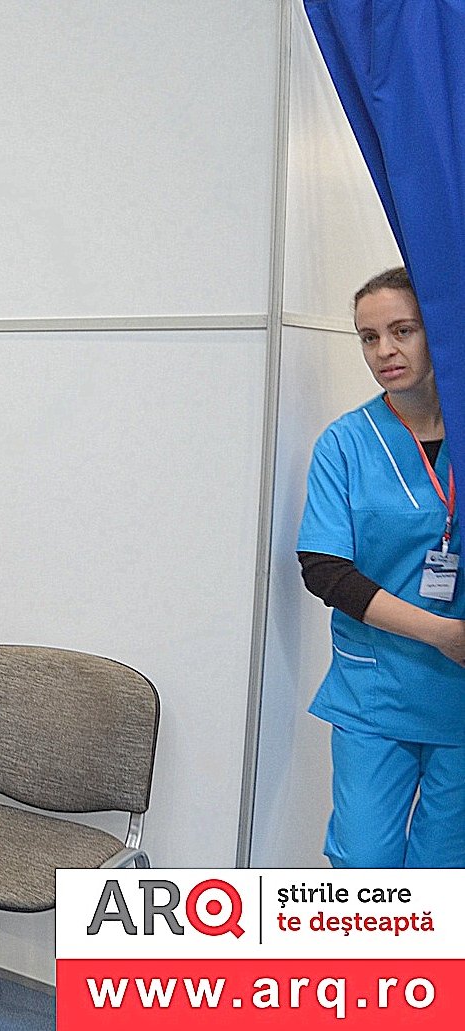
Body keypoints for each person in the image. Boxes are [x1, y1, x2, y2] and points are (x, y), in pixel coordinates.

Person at [298, 266, 465, 867]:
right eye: (369, 337)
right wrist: (443, 633)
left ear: (439, 329)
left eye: (403, 330)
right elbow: (325, 569)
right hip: (376, 689)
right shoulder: (346, 442)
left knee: (443, 872)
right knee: (363, 864)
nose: (385, 350)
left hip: (459, 698)